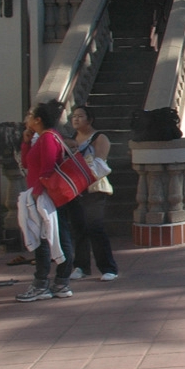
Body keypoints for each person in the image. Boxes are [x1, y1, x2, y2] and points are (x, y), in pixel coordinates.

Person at [16, 100, 75, 301]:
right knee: (46, 236)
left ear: (38, 120)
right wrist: (26, 141)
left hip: (47, 196)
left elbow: (47, 168)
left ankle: (51, 282)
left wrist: (37, 192)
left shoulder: (48, 138)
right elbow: (27, 163)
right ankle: (55, 282)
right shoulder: (40, 138)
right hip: (40, 194)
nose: (27, 119)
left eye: (30, 116)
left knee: (52, 237)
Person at [66, 105, 118, 282]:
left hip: (94, 188)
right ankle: (81, 266)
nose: (76, 119)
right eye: (74, 116)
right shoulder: (70, 139)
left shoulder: (99, 138)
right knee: (79, 228)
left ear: (90, 119)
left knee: (95, 227)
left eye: (80, 116)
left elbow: (100, 164)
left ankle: (108, 268)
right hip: (75, 189)